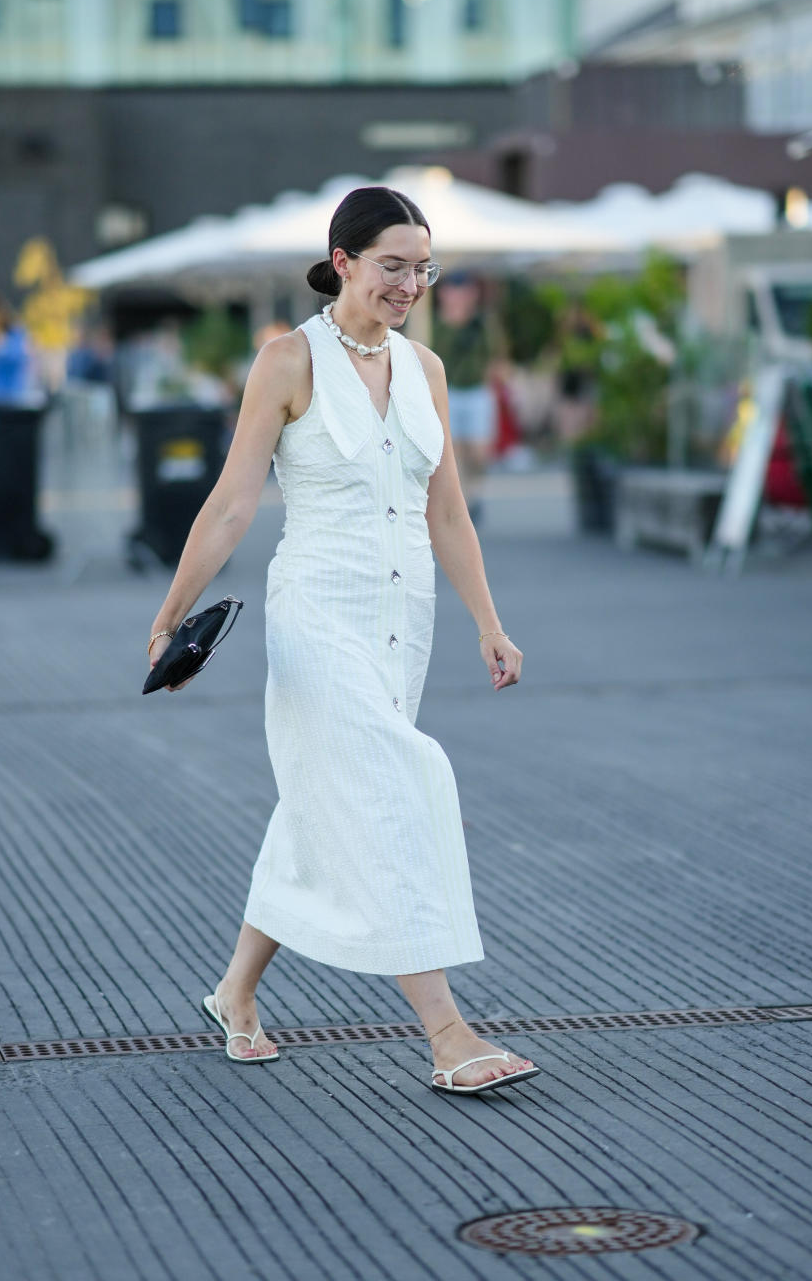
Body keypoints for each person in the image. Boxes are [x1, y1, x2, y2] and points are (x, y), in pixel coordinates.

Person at [148, 186, 538, 1097]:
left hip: (404, 624)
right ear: (344, 260)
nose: (410, 284)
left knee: (324, 801)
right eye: (393, 265)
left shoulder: (427, 367)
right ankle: (448, 1033)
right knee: (390, 791)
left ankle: (234, 994)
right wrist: (172, 614)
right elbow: (234, 500)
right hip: (317, 614)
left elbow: (448, 511)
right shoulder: (288, 360)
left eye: (423, 268)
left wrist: (489, 621)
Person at [430, 273, 501, 525]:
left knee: (479, 451)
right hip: (449, 391)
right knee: (455, 449)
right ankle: (466, 500)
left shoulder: (481, 324)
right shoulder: (436, 325)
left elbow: (495, 355)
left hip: (477, 390)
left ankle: (476, 492)